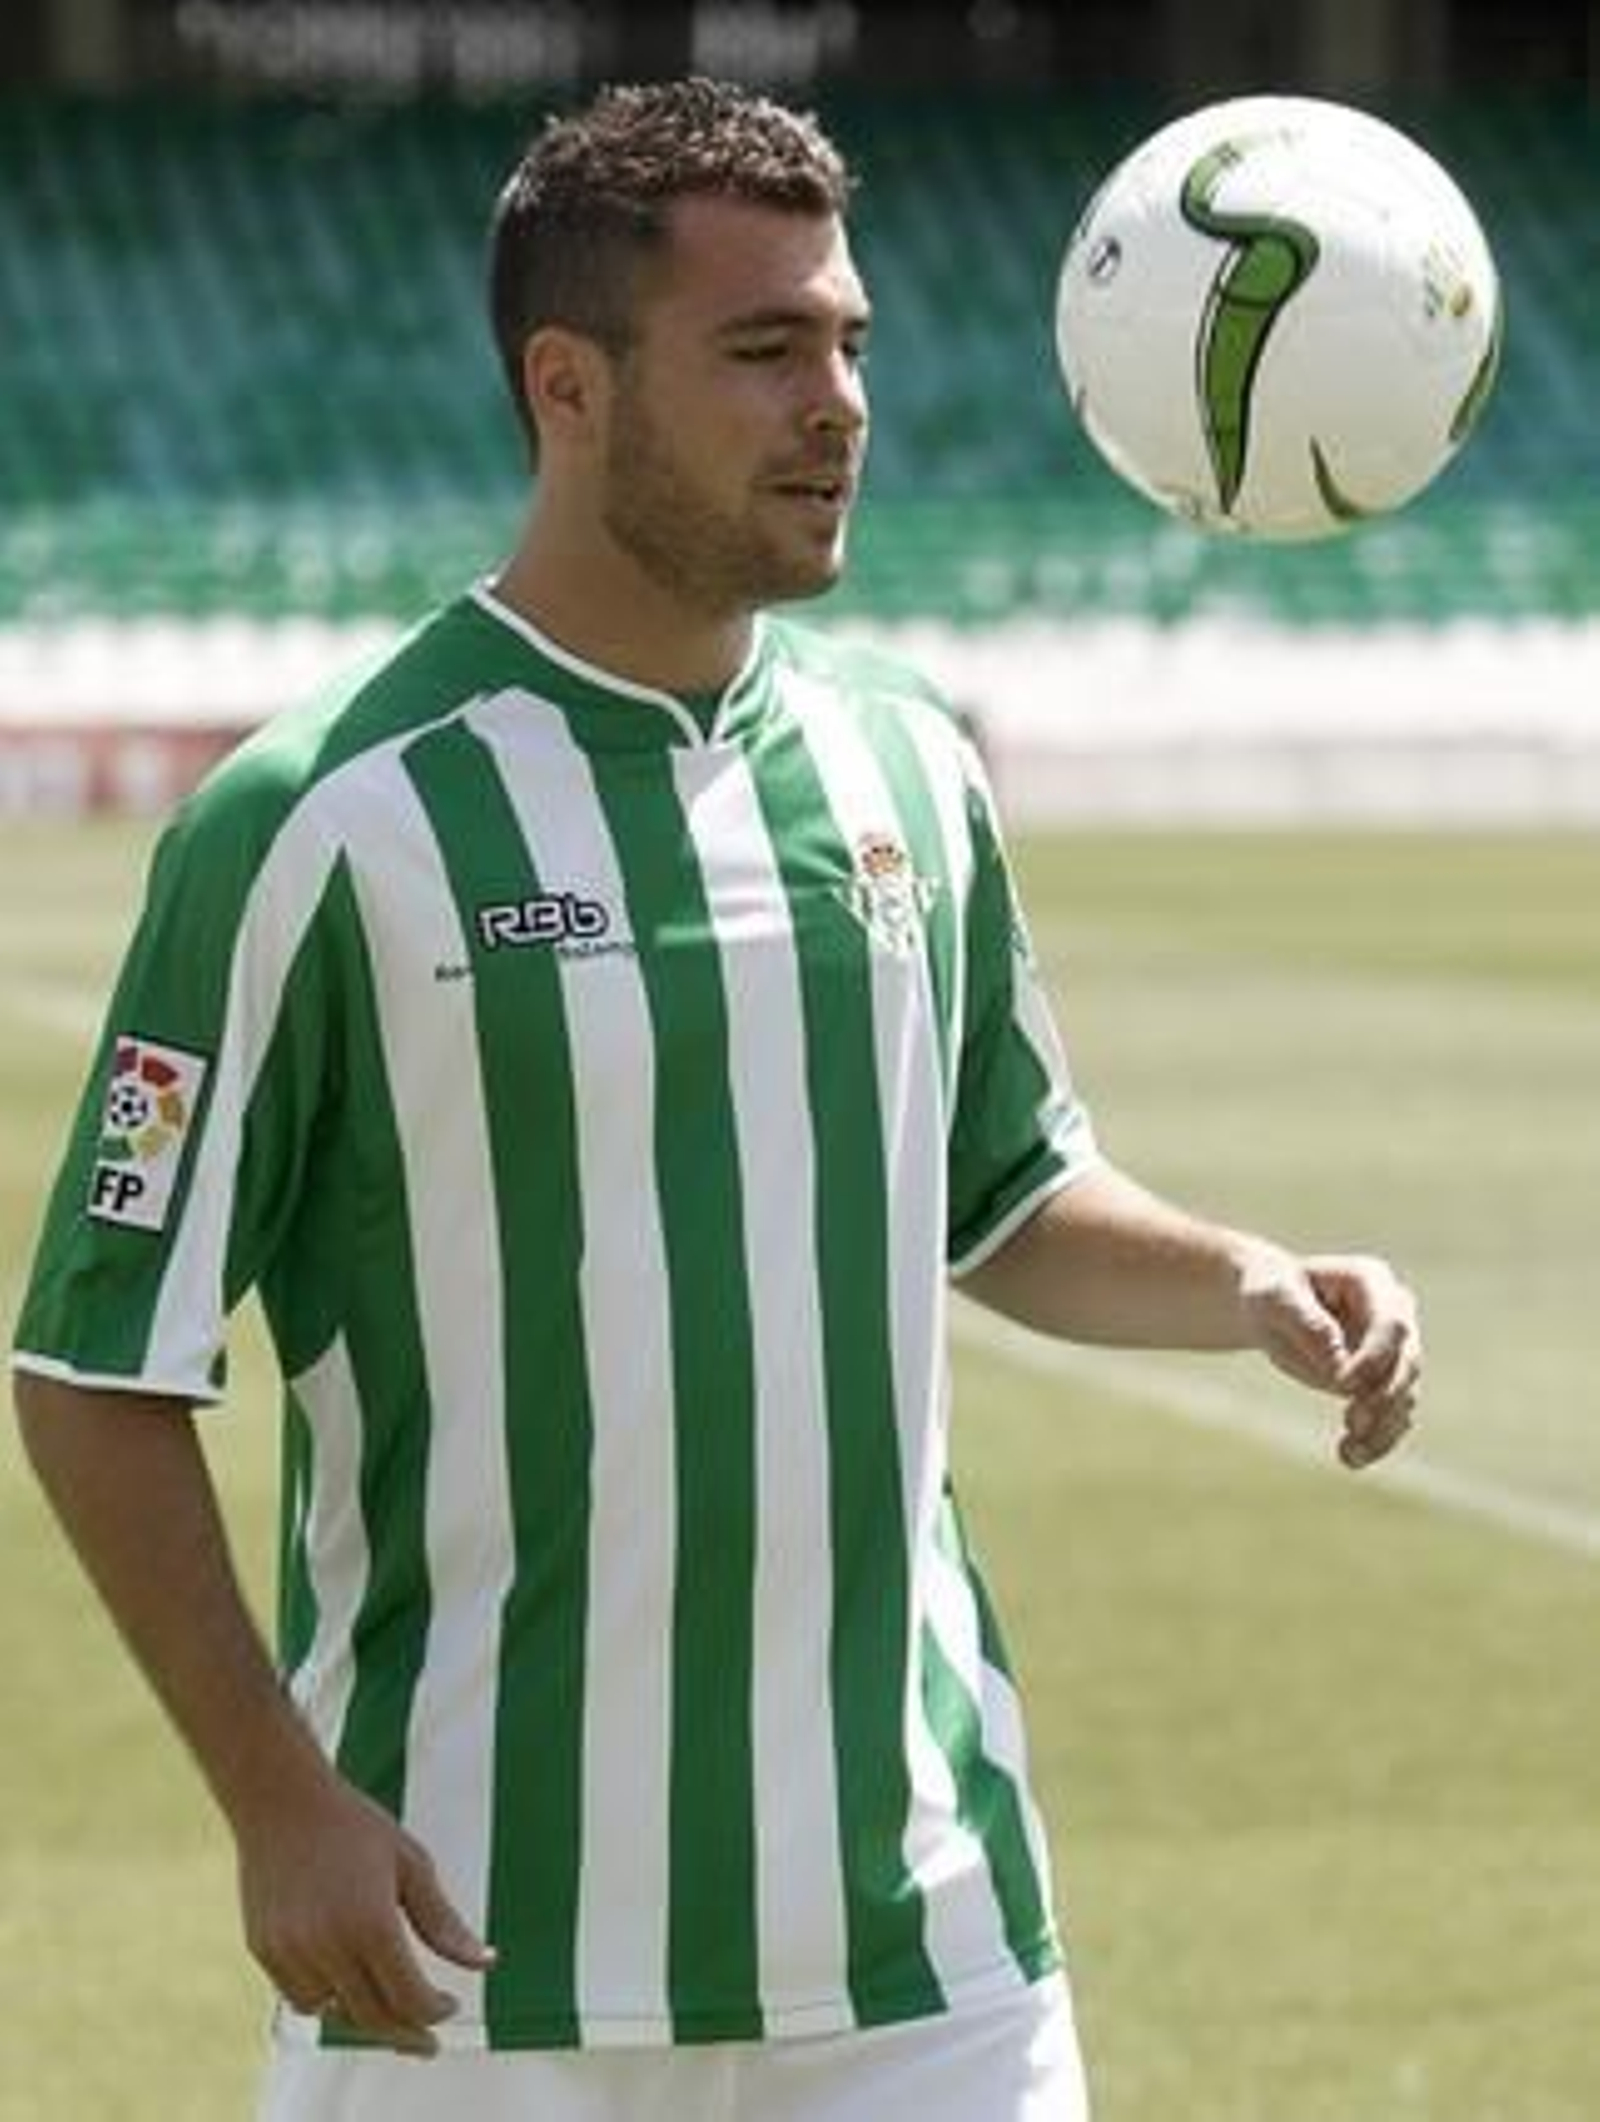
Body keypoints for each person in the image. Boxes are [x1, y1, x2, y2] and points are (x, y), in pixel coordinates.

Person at [11, 76, 1421, 2122]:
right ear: (565, 385)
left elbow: (1004, 1190)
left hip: (924, 1949)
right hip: (467, 1961)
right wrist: (275, 1796)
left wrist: (1244, 1280)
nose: (834, 402)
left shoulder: (909, 769)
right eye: (761, 352)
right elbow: (96, 1365)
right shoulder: (320, 822)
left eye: (847, 341)